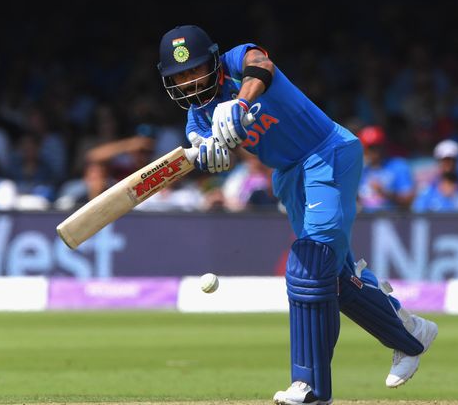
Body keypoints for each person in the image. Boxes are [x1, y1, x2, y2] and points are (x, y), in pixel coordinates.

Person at [156, 25, 437, 405]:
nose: (189, 84)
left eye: (194, 71)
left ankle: (310, 388)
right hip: (289, 174)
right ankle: (410, 335)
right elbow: (203, 144)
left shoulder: (238, 60)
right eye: (179, 78)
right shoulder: (197, 117)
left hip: (326, 152)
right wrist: (211, 154)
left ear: (212, 62)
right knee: (330, 276)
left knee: (309, 265)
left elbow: (263, 64)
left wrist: (240, 103)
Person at [357, 125, 416, 212]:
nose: (374, 151)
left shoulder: (398, 166)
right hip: (364, 221)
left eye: (377, 146)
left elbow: (408, 200)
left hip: (394, 220)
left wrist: (385, 193)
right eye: (369, 147)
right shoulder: (359, 170)